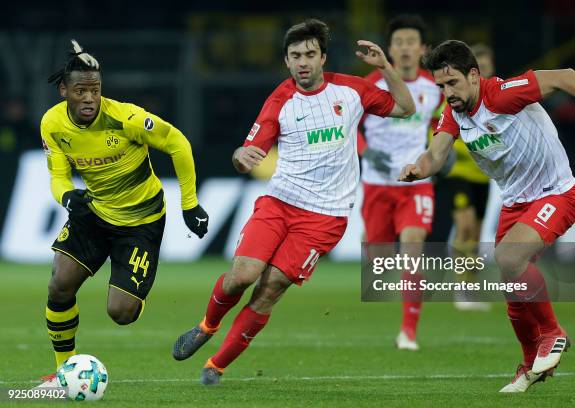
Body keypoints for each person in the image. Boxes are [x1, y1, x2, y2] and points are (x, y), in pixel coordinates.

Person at [173, 19, 415, 385]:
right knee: (243, 275)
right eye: (295, 55)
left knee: (269, 289)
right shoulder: (280, 100)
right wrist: (241, 155)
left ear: (323, 58)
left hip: (325, 216)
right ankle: (207, 326)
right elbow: (248, 150)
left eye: (310, 54)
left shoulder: (352, 89)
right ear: (287, 61)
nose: (303, 62)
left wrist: (384, 67)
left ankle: (216, 365)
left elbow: (405, 107)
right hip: (279, 202)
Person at [399, 39, 575, 392]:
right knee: (512, 292)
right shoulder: (454, 113)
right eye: (440, 86)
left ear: (473, 75)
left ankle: (554, 334)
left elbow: (566, 76)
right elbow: (435, 155)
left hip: (557, 193)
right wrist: (418, 168)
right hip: (514, 203)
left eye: (452, 83)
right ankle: (529, 367)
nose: (447, 92)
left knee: (509, 257)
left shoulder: (501, 94)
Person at [37, 40, 209, 386]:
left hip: (141, 221)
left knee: (121, 313)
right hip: (95, 213)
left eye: (95, 90)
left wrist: (189, 202)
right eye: (81, 90)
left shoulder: (126, 118)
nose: (89, 98)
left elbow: (177, 142)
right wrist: (68, 197)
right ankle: (63, 371)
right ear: (64, 90)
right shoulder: (52, 124)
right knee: (59, 285)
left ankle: (134, 294)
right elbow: (58, 176)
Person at [357, 15, 443, 350]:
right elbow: (351, 131)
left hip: (415, 182)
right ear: (389, 48)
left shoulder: (435, 88)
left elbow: (440, 124)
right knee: (377, 255)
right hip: (377, 183)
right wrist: (366, 153)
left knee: (412, 251)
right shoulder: (368, 86)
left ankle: (408, 331)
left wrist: (439, 152)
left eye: (412, 42)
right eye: (399, 42)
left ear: (422, 49)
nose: (405, 48)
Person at [442, 43, 496, 311]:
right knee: (463, 227)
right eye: (480, 67)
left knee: (475, 235)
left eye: (488, 67)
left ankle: (470, 287)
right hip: (459, 173)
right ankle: (460, 288)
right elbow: (438, 131)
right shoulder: (453, 98)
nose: (484, 72)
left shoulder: (495, 101)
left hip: (483, 178)